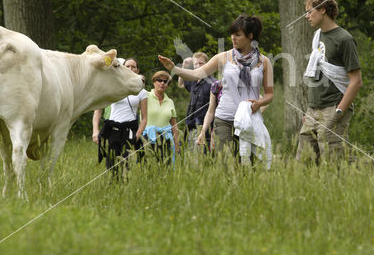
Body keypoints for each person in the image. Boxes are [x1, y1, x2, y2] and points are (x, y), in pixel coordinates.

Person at [159, 15, 274, 160]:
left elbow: (269, 94)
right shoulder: (223, 57)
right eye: (232, 34)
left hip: (249, 121)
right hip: (224, 120)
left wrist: (259, 103)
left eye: (238, 35)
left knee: (248, 166)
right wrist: (174, 69)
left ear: (250, 36)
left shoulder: (264, 62)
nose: (233, 38)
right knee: (227, 165)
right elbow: (196, 74)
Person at [297, 0, 363, 164]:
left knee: (334, 166)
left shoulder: (344, 39)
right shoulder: (317, 37)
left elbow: (356, 81)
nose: (307, 16)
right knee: (304, 165)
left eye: (310, 11)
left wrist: (338, 112)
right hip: (313, 110)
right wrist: (310, 110)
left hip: (333, 107)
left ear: (323, 10)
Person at [92, 58, 147, 176]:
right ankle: (113, 187)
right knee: (111, 163)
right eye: (127, 66)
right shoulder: (113, 86)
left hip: (129, 130)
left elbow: (144, 117)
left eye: (133, 67)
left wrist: (138, 135)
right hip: (112, 129)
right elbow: (98, 110)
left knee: (125, 163)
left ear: (138, 70)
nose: (130, 69)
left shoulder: (142, 92)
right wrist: (95, 130)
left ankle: (124, 187)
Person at [142, 70, 180, 164]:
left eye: (165, 81)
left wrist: (176, 144)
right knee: (148, 167)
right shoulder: (145, 96)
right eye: (159, 80)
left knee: (165, 168)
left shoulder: (170, 102)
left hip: (165, 139)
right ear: (154, 82)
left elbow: (174, 125)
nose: (162, 83)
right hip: (147, 138)